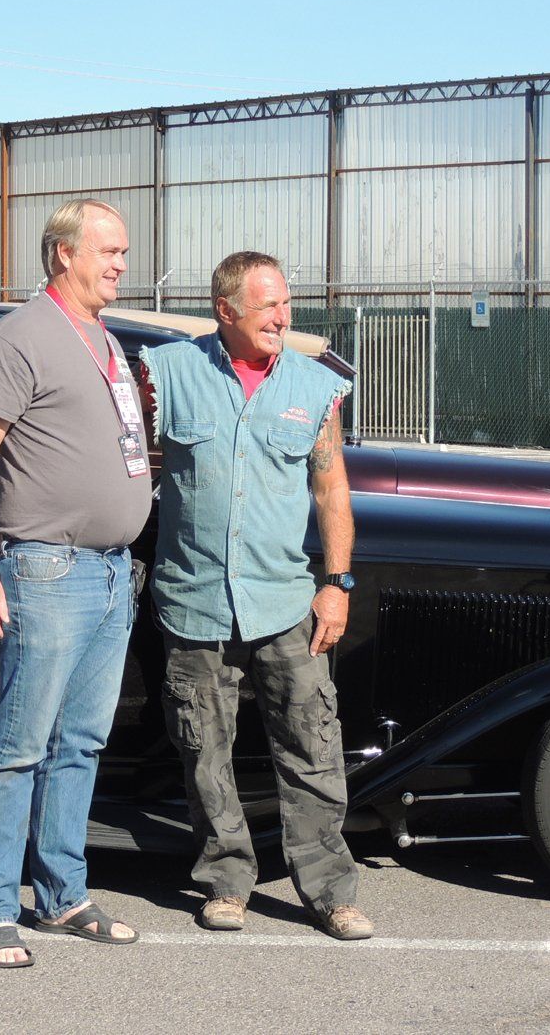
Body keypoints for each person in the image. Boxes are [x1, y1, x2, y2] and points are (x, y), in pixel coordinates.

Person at [140, 250, 374, 940]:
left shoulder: (314, 386)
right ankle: (226, 881)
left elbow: (330, 488)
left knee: (311, 746)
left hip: (285, 604)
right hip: (194, 603)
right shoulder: (166, 374)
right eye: (268, 305)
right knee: (204, 751)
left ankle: (330, 890)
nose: (282, 317)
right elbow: (123, 464)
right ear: (226, 310)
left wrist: (337, 584)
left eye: (286, 304)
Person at [0, 198, 152, 968]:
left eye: (124, 252)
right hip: (45, 568)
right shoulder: (20, 336)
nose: (121, 264)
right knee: (18, 747)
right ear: (62, 253)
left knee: (81, 745)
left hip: (108, 574)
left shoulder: (101, 337)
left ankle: (62, 895)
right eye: (108, 251)